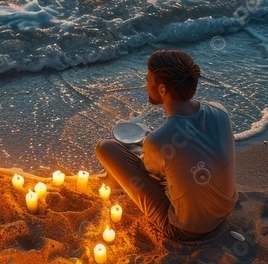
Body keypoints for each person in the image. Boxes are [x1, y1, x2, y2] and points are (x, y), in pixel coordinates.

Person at [95, 49, 237, 241]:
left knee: (106, 147)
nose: (145, 84)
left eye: (148, 79)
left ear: (162, 89)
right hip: (225, 210)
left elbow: (154, 176)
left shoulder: (159, 140)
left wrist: (149, 147)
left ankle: (113, 181)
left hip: (186, 230)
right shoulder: (220, 111)